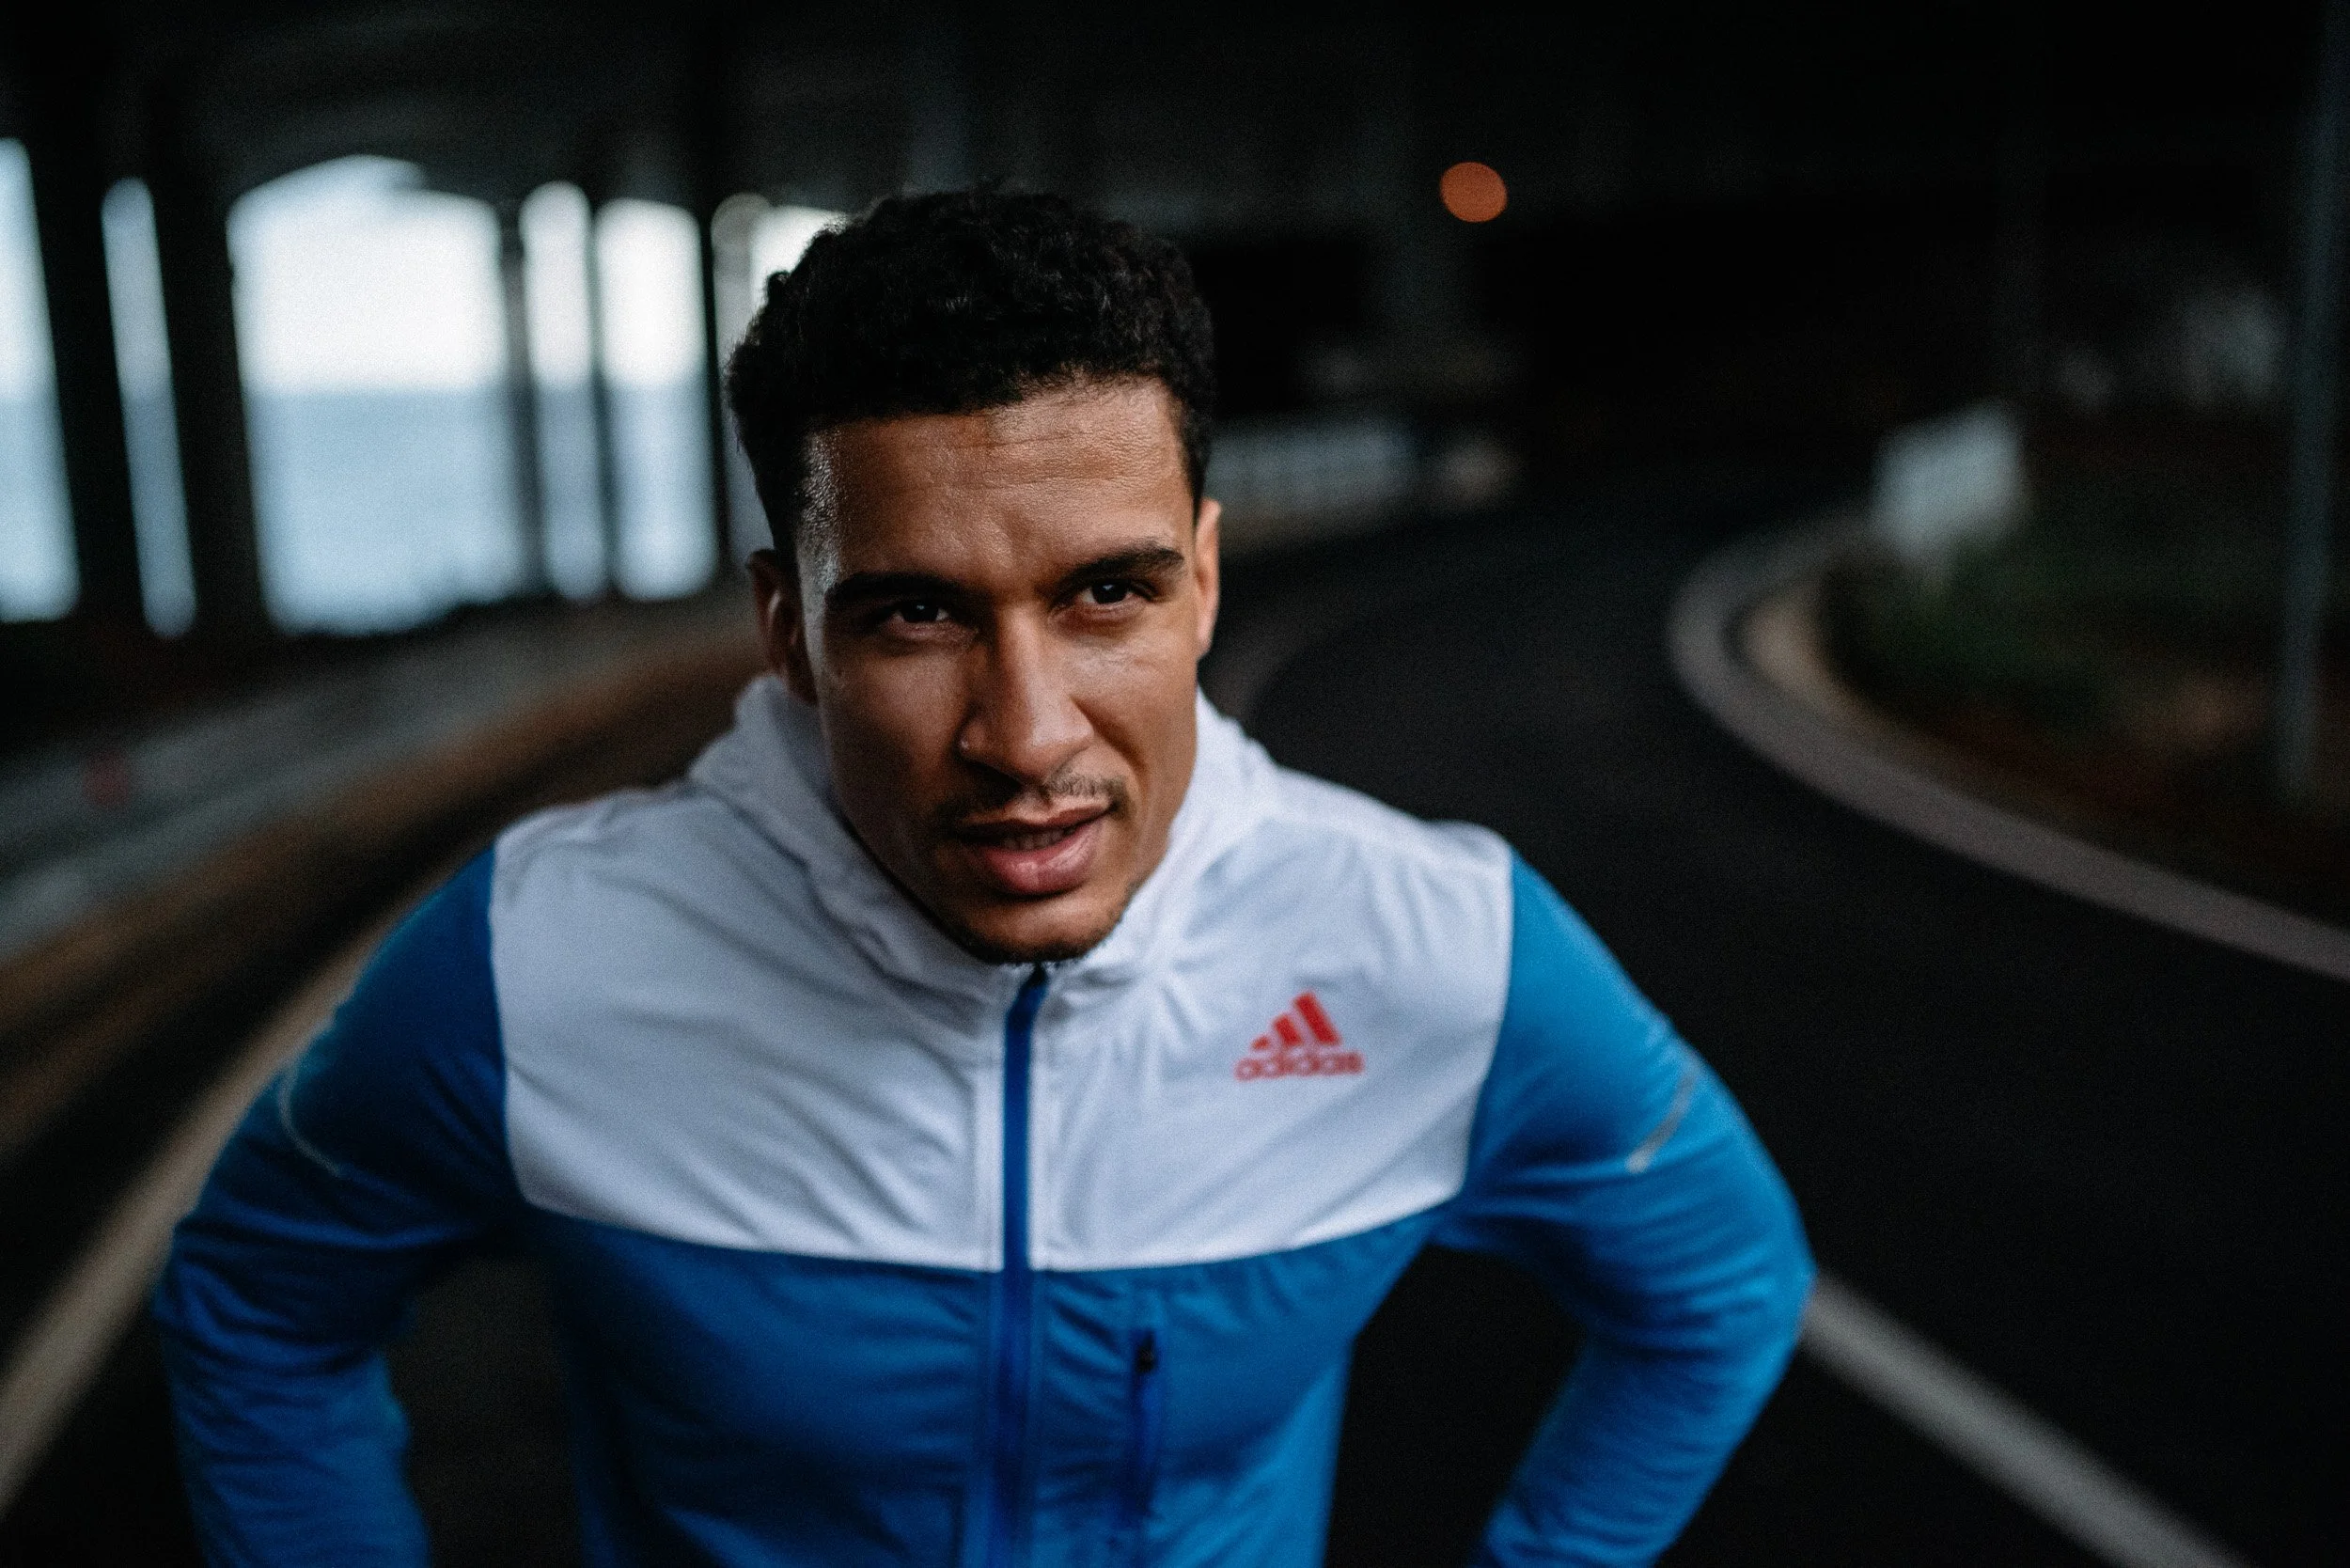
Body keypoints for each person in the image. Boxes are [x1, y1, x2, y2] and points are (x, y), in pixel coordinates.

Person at [157, 189, 1811, 1568]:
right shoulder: (534, 961)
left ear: (1208, 582)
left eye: (1107, 594)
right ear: (788, 629)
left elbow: (1723, 1286)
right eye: (918, 615)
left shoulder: (1437, 950)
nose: (1026, 737)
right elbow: (253, 1300)